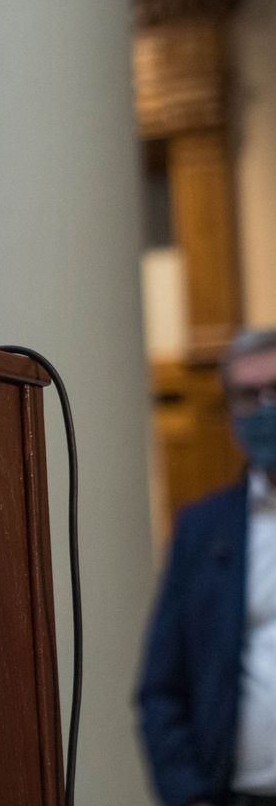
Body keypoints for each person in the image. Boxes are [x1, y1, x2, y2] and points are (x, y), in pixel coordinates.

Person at [139, 327, 276, 806]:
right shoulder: (203, 530)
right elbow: (161, 689)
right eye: (247, 396)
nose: (265, 408)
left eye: (275, 391)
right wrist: (188, 795)